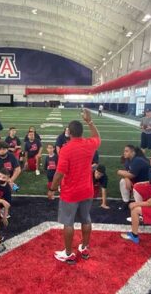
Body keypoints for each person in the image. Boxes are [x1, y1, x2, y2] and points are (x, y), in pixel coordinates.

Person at [50, 109, 100, 264]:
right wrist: (90, 121)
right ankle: (84, 248)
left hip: (71, 192)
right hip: (87, 189)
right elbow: (97, 137)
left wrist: (52, 189)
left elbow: (59, 174)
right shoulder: (90, 144)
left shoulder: (66, 149)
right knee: (86, 219)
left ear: (69, 133)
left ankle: (68, 253)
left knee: (68, 223)